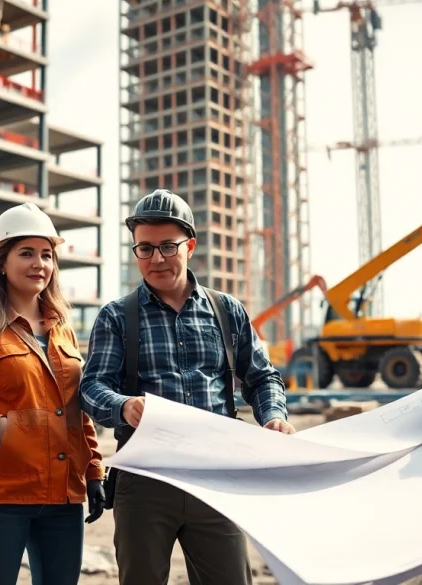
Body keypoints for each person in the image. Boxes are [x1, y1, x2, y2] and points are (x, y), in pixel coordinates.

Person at [80, 189, 295, 585]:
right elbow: (92, 386)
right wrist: (124, 405)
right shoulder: (115, 316)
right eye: (144, 248)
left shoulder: (226, 311)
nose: (156, 258)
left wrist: (274, 417)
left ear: (190, 246)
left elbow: (261, 376)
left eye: (167, 246)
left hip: (215, 476)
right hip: (144, 480)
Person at [0, 202, 106, 585]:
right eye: (26, 253)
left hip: (64, 498)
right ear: (1, 263)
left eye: (46, 254)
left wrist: (94, 470)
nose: (39, 263)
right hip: (2, 496)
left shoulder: (63, 330)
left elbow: (77, 410)